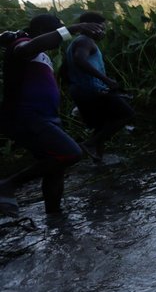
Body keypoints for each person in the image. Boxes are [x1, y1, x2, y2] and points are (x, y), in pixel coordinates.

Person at [0, 14, 104, 216]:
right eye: (56, 30)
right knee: (72, 153)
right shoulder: (23, 44)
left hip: (46, 117)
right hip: (28, 116)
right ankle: (7, 185)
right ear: (41, 31)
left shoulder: (42, 56)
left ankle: (55, 218)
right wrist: (74, 28)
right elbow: (27, 49)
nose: (58, 36)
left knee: (55, 168)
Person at [62, 11, 134, 161]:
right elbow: (79, 60)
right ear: (90, 27)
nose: (103, 32)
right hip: (92, 89)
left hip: (82, 90)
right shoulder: (85, 41)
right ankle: (88, 145)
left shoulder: (76, 42)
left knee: (101, 125)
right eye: (101, 28)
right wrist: (106, 80)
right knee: (127, 114)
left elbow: (65, 69)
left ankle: (98, 158)